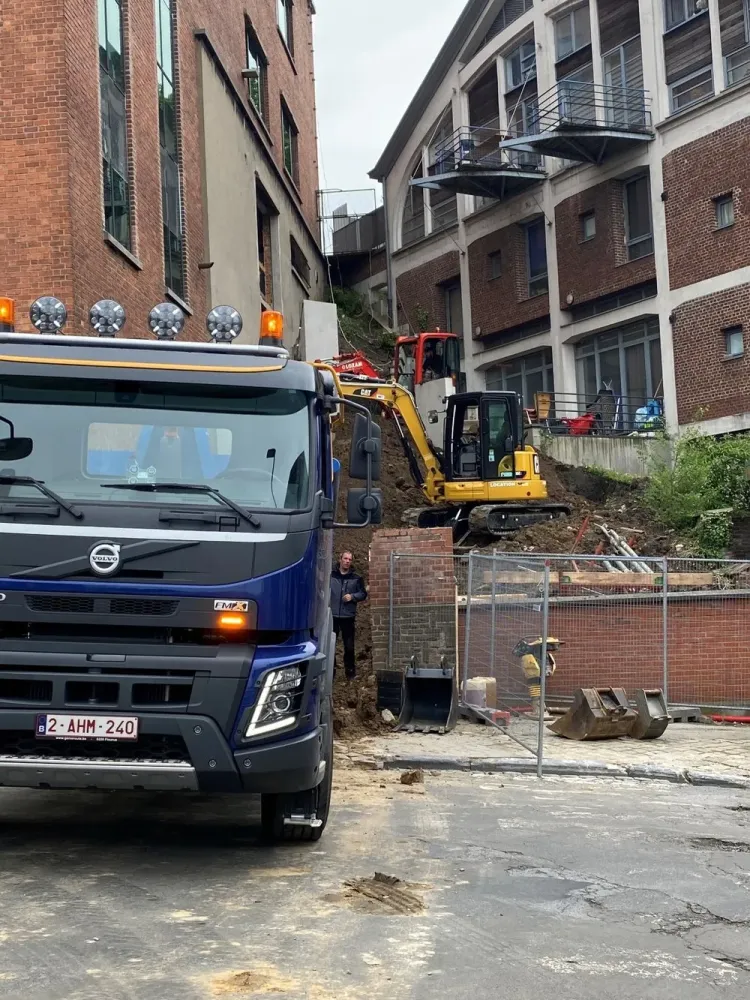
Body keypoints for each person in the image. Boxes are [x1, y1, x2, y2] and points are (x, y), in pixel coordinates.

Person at [330, 551, 367, 679]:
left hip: (348, 616)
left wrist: (352, 596)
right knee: (331, 646)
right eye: (345, 558)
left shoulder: (356, 578)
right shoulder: (331, 575)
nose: (347, 561)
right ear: (340, 559)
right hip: (332, 616)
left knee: (349, 646)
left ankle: (350, 673)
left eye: (349, 559)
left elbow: (363, 594)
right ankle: (331, 673)